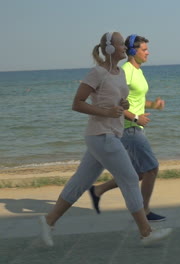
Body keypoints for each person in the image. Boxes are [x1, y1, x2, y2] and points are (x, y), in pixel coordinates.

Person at [38, 32, 172, 247]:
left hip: (109, 134)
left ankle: (48, 220)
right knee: (129, 178)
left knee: (80, 182)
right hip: (102, 135)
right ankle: (146, 232)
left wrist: (123, 107)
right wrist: (106, 112)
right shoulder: (97, 73)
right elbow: (78, 103)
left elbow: (117, 101)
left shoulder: (118, 73)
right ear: (110, 48)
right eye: (120, 44)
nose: (124, 48)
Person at [88, 34, 166, 222]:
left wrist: (152, 105)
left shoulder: (137, 71)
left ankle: (98, 190)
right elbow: (113, 103)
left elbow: (133, 101)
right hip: (128, 128)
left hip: (133, 126)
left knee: (138, 172)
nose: (148, 53)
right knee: (152, 168)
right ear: (132, 51)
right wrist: (136, 118)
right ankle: (144, 211)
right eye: (144, 49)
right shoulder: (125, 71)